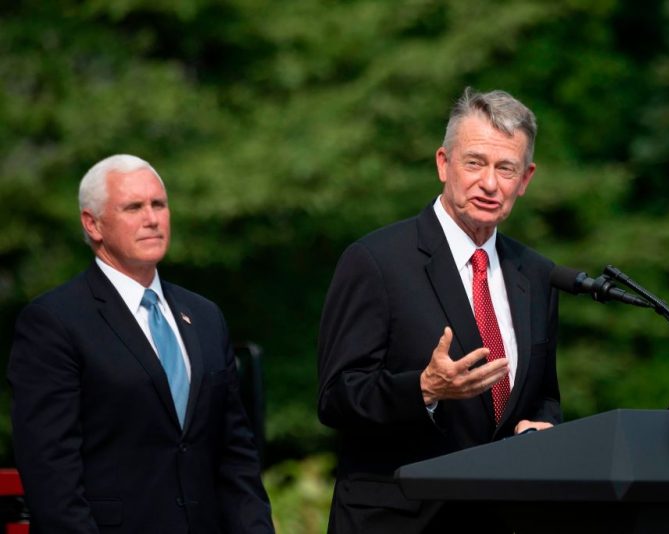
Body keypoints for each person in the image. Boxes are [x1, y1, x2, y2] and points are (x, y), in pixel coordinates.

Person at [317, 88, 562, 533]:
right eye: (474, 163)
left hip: (502, 519)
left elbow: (544, 394)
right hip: (399, 521)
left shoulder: (536, 274)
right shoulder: (377, 260)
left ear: (525, 180)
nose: (489, 183)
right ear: (443, 164)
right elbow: (337, 398)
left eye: (505, 168)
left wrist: (541, 427)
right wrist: (424, 389)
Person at [8, 155, 275, 533]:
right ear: (93, 224)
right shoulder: (54, 321)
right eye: (133, 207)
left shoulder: (204, 316)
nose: (151, 219)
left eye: (159, 205)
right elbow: (51, 472)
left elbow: (235, 455)